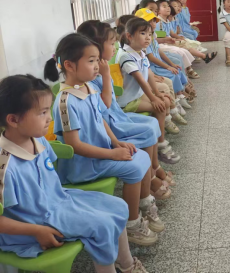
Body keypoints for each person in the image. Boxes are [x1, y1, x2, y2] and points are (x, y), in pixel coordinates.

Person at [0, 75, 148, 273]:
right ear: (13, 120)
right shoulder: (4, 165)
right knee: (102, 225)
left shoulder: (37, 140)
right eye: (42, 112)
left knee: (118, 206)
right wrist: (37, 231)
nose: (50, 118)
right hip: (34, 223)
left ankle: (126, 263)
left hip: (59, 200)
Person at [45, 34, 159, 246]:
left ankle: (143, 204)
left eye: (97, 60)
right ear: (69, 65)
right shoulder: (65, 102)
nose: (97, 65)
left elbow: (100, 119)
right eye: (91, 61)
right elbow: (74, 145)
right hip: (83, 165)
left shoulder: (88, 87)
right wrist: (112, 154)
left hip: (102, 152)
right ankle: (132, 223)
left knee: (141, 156)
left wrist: (116, 142)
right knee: (134, 167)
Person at [77, 20, 175, 202]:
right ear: (96, 47)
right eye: (111, 43)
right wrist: (106, 75)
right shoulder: (91, 77)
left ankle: (153, 169)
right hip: (111, 123)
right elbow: (105, 105)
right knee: (148, 129)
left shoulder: (98, 70)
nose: (115, 47)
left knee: (152, 123)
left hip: (116, 117)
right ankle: (151, 178)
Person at [116, 18, 182, 165]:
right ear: (129, 36)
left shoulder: (140, 52)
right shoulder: (126, 55)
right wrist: (153, 98)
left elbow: (149, 74)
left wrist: (157, 94)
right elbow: (140, 80)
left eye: (150, 34)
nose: (148, 37)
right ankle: (161, 146)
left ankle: (159, 139)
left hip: (137, 96)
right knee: (161, 106)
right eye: (143, 33)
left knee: (165, 100)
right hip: (127, 102)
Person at [134, 9, 191, 112]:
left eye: (154, 21)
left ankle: (180, 96)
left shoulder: (152, 35)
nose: (153, 24)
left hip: (158, 64)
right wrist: (168, 67)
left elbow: (159, 51)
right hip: (153, 67)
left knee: (177, 70)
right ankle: (176, 101)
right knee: (172, 74)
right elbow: (151, 58)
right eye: (149, 21)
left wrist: (171, 64)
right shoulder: (144, 40)